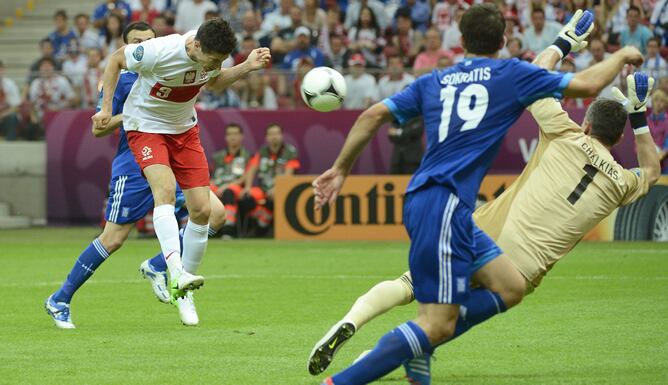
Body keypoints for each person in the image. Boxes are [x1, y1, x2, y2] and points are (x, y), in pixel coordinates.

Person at [310, 7, 643, 384]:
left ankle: (404, 351)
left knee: (510, 287)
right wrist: (620, 54)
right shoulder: (509, 76)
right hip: (444, 205)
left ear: (461, 41)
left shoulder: (433, 80)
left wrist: (340, 169)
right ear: (502, 42)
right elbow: (584, 85)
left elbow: (371, 116)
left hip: (434, 201)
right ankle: (344, 380)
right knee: (436, 323)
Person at [44, 23, 228, 330]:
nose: (144, 44)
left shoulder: (172, 63)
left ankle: (160, 266)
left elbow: (209, 79)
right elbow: (98, 128)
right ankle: (60, 298)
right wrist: (127, 113)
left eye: (149, 40)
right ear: (128, 46)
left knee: (216, 214)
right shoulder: (121, 81)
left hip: (172, 154)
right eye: (137, 41)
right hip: (134, 164)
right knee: (113, 239)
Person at [91, 18, 270, 304]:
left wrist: (247, 65)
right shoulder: (158, 51)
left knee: (208, 212)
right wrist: (107, 108)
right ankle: (174, 271)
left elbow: (214, 82)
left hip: (183, 131)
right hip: (146, 128)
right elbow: (115, 60)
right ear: (196, 45)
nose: (215, 65)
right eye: (213, 60)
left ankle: (167, 273)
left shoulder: (210, 55)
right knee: (128, 224)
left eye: (219, 61)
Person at [243, 123, 300, 233]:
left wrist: (277, 188)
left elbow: (289, 175)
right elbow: (252, 169)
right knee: (246, 197)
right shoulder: (262, 152)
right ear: (266, 137)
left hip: (281, 189)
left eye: (277, 133)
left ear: (282, 135)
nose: (274, 136)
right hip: (263, 189)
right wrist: (248, 187)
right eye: (271, 134)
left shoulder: (290, 152)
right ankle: (263, 220)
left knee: (273, 199)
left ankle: (260, 228)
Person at [211, 123, 252, 236]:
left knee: (229, 191)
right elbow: (211, 176)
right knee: (204, 192)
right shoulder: (218, 156)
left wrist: (226, 186)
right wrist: (213, 185)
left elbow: (246, 177)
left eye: (235, 134)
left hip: (236, 187)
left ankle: (228, 229)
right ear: (226, 137)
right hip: (217, 186)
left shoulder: (247, 156)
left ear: (241, 136)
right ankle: (204, 228)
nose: (232, 137)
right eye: (229, 134)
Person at [0, 61, 21, 141]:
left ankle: (10, 142)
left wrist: (2, 115)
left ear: (3, 70)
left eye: (0, 69)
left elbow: (16, 107)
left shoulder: (10, 84)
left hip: (6, 115)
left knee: (12, 117)